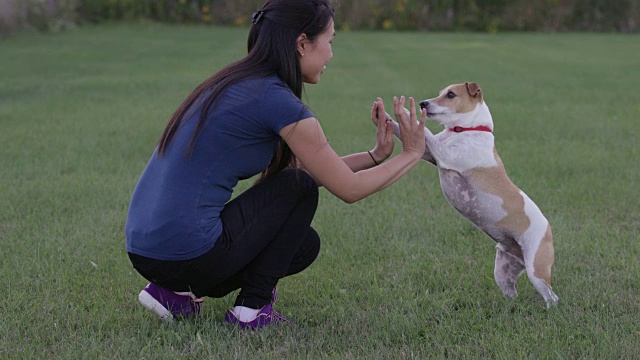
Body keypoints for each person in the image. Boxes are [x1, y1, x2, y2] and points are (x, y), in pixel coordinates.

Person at [125, 0, 426, 330]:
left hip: (145, 250)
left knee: (302, 244)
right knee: (300, 188)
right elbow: (346, 189)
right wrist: (411, 153)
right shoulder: (276, 101)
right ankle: (250, 312)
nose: (330, 55)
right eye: (330, 41)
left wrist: (375, 156)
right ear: (301, 44)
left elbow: (304, 169)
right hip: (188, 252)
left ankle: (174, 294)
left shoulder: (234, 82)